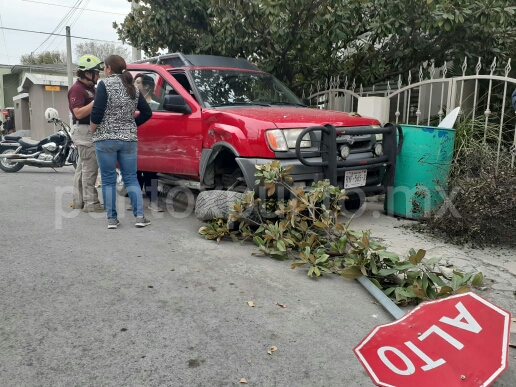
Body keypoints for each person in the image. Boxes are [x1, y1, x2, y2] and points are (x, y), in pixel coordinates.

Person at [90, 55, 152, 229]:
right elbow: (147, 113)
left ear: (109, 68)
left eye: (104, 67)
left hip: (105, 140)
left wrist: (92, 129)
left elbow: (97, 112)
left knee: (108, 179)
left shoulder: (104, 85)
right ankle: (140, 217)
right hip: (128, 141)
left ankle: (112, 220)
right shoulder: (132, 87)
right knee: (131, 177)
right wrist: (131, 125)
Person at [68, 54, 105, 213]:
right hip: (83, 130)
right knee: (90, 168)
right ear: (87, 73)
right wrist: (95, 103)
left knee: (82, 168)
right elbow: (78, 112)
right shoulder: (77, 89)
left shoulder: (91, 89)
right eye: (96, 72)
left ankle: (79, 201)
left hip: (88, 130)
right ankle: (92, 204)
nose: (98, 75)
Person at [128, 73, 163, 212]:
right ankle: (134, 201)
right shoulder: (131, 102)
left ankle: (153, 201)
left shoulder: (157, 105)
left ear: (147, 86)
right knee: (134, 172)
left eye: (138, 83)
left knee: (150, 172)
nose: (135, 85)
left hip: (151, 142)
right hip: (135, 141)